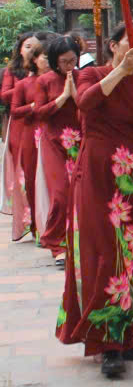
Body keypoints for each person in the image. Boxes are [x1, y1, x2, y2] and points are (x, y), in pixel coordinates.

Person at [57, 23, 133, 379]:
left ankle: (126, 333)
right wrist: (121, 71)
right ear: (113, 46)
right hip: (97, 176)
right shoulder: (91, 74)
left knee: (131, 256)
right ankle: (106, 343)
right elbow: (85, 106)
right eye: (132, 44)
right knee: (102, 255)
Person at [35, 37, 81, 263]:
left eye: (73, 60)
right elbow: (40, 113)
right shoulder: (45, 81)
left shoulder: (84, 78)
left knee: (81, 194)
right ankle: (56, 243)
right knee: (61, 194)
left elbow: (91, 108)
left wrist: (76, 96)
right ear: (55, 62)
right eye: (64, 62)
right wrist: (63, 97)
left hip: (80, 142)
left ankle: (78, 241)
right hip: (54, 142)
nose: (69, 66)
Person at [9, 34, 48, 241]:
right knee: (33, 181)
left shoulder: (55, 81)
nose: (48, 61)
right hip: (30, 136)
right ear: (34, 60)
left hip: (53, 134)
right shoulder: (24, 84)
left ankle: (55, 226)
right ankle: (37, 226)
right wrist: (33, 107)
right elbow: (15, 111)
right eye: (44, 57)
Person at [2, 32, 37, 239]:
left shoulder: (45, 71)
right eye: (27, 46)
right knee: (22, 174)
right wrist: (23, 90)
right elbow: (4, 95)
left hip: (39, 125)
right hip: (19, 125)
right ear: (20, 49)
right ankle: (27, 219)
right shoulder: (13, 71)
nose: (31, 50)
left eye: (34, 46)